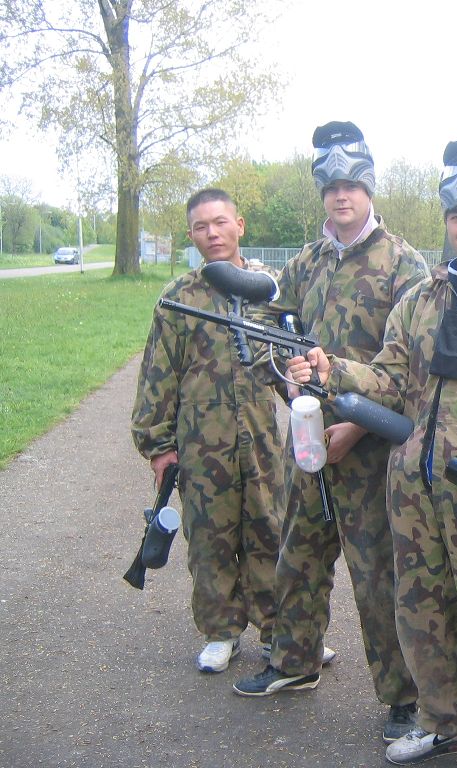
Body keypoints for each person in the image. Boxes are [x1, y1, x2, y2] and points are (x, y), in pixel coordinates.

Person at [286, 138, 457, 767]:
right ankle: (443, 722)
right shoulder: (421, 298)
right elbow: (390, 378)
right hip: (413, 484)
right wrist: (335, 370)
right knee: (420, 611)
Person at [232, 122, 427, 744]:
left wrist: (356, 430)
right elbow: (270, 329)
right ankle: (294, 660)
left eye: (352, 185)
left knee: (379, 579)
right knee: (299, 555)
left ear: (369, 189)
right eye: (332, 186)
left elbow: (412, 369)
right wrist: (288, 391)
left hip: (370, 452)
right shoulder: (306, 262)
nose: (342, 195)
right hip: (310, 439)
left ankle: (404, 697)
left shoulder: (404, 264)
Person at [131, 188, 285, 674]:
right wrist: (158, 447)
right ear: (191, 235)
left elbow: (293, 360)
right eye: (201, 226)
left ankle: (280, 633)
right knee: (209, 538)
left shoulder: (269, 289)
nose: (212, 233)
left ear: (240, 225)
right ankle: (221, 632)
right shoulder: (178, 298)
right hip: (201, 444)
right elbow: (158, 375)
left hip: (261, 440)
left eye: (220, 222)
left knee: (270, 532)